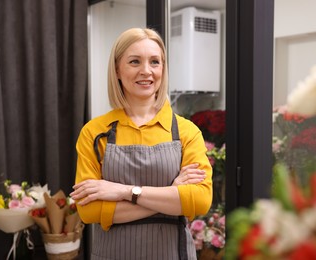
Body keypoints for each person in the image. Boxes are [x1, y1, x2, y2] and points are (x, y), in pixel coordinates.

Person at [70, 28, 213, 260]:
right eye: (134, 61)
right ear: (117, 69)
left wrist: (123, 192)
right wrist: (173, 195)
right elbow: (88, 210)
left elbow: (199, 201)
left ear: (163, 69)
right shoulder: (95, 133)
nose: (146, 71)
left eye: (154, 62)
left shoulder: (186, 132)